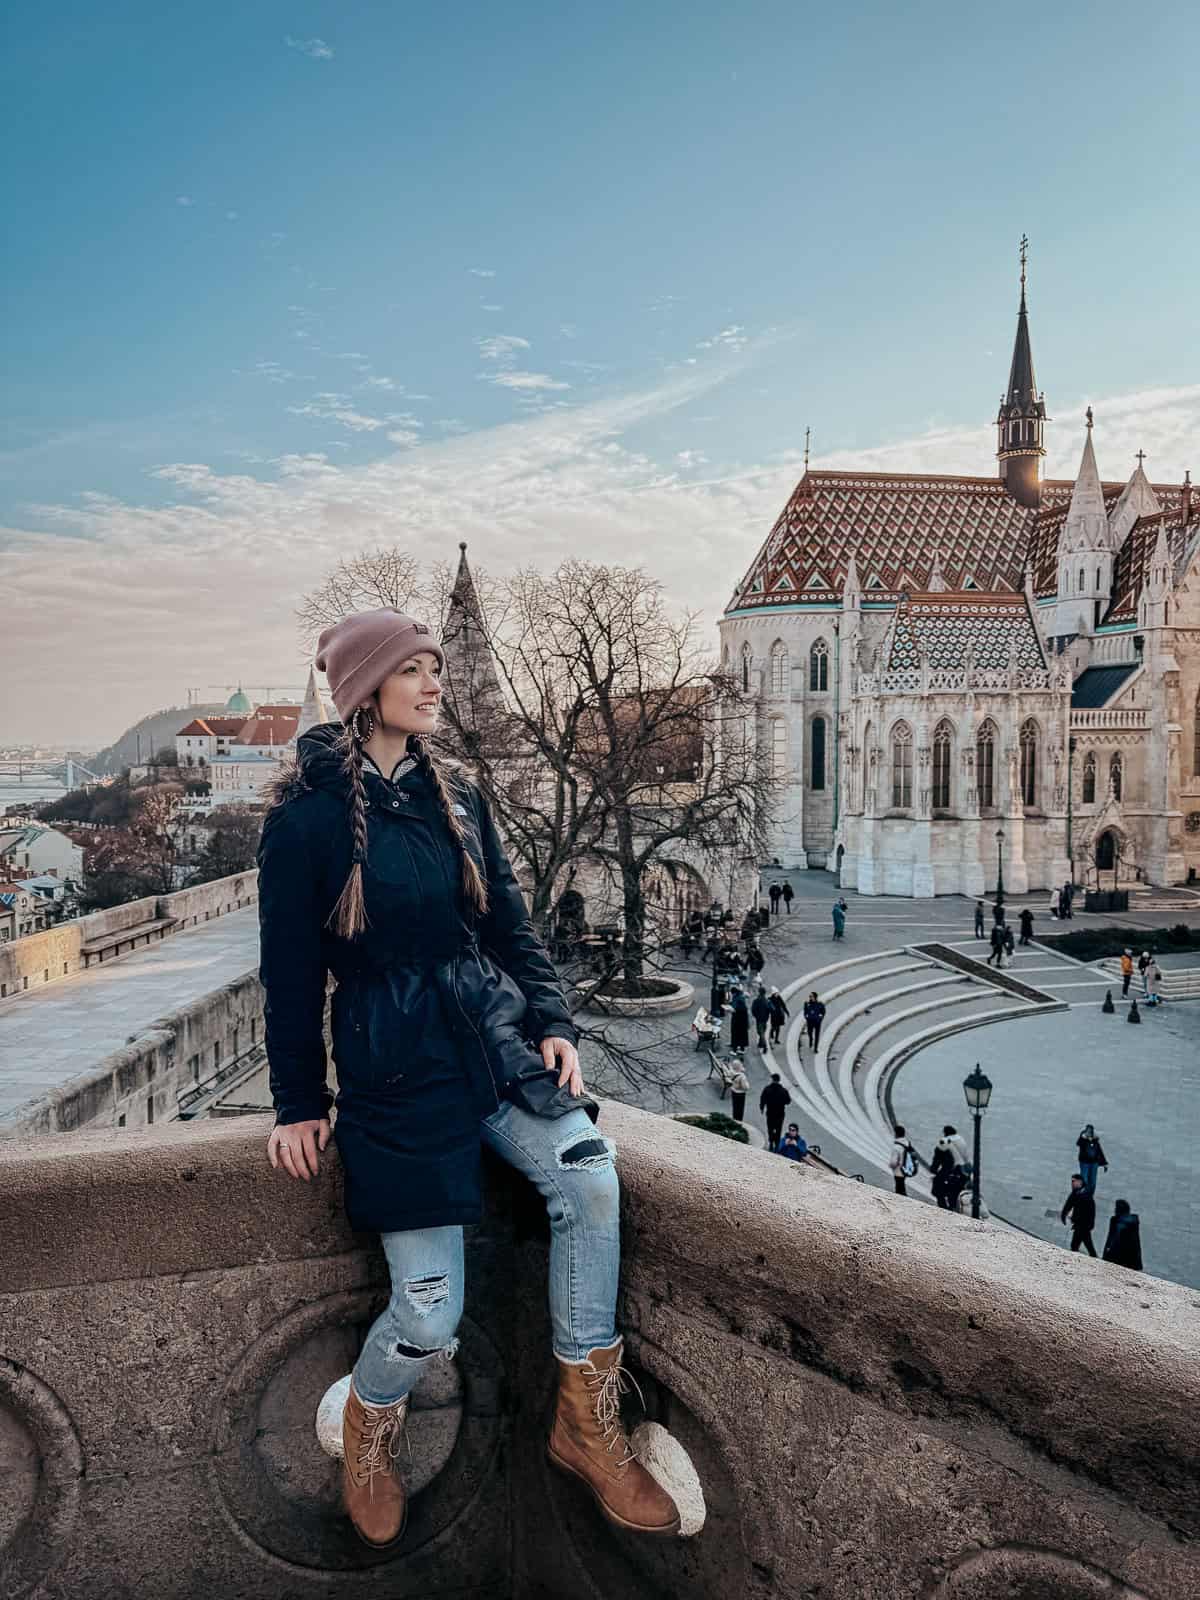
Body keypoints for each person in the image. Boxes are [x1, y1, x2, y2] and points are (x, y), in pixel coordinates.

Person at [257, 608, 680, 1547]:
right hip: (393, 1066)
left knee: (590, 1175)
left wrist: (553, 1022)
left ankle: (585, 1423)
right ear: (368, 689)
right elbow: (288, 974)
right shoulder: (307, 819)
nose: (435, 684)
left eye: (435, 668)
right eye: (414, 670)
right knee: (429, 1309)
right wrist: (296, 1102)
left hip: (488, 1040)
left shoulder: (460, 796)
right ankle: (371, 1416)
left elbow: (509, 929)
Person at [1060, 1174, 1097, 1256]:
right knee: (1085, 1244)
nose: (1072, 1183)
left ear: (1080, 1182)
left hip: (1083, 1225)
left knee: (1076, 1245)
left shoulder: (1086, 1195)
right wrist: (1063, 1215)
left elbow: (1091, 1212)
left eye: (1073, 1181)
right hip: (1079, 1225)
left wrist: (1090, 1225)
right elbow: (1068, 1204)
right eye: (1071, 1181)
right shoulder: (1075, 1192)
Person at [1102, 1198, 1144, 1271]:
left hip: (1118, 1257)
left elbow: (1113, 1239)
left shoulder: (1117, 1222)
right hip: (1131, 1259)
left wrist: (1106, 1255)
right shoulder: (1133, 1222)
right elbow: (1136, 1243)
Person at [759, 1073, 792, 1152]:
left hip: (770, 1112)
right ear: (779, 1080)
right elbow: (788, 1101)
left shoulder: (767, 1089)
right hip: (780, 1113)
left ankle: (771, 1142)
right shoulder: (783, 1090)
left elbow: (762, 1099)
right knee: (778, 1129)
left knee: (770, 1128)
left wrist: (762, 1108)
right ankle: (777, 1144)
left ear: (772, 1079)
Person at [1075, 1125, 1108, 1194]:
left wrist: (1104, 1163)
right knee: (1084, 1180)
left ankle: (1090, 1197)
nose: (1089, 1132)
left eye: (1090, 1131)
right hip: (1084, 1163)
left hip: (1094, 1163)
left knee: (1092, 1181)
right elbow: (1078, 1143)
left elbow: (1099, 1151)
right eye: (1088, 1130)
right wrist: (1083, 1137)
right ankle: (1082, 1195)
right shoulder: (1083, 1138)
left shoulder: (1095, 1140)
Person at [889, 1125, 917, 1196]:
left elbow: (893, 1162)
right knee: (901, 1185)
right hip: (906, 1169)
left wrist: (891, 1166)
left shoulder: (897, 1147)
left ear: (896, 1134)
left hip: (898, 1170)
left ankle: (902, 1199)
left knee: (899, 1187)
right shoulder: (908, 1144)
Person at [729, 987, 750, 1055]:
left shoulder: (738, 999)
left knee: (736, 1034)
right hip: (743, 1021)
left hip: (737, 1021)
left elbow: (736, 1009)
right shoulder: (741, 997)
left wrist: (731, 1009)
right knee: (742, 1035)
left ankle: (734, 1050)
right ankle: (741, 1048)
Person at [750, 985, 772, 1051]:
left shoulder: (756, 1000)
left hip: (759, 1019)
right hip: (765, 1018)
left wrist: (756, 1016)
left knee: (760, 1032)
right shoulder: (767, 1001)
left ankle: (765, 1045)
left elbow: (753, 1009)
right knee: (762, 1031)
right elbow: (770, 1009)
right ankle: (760, 1043)